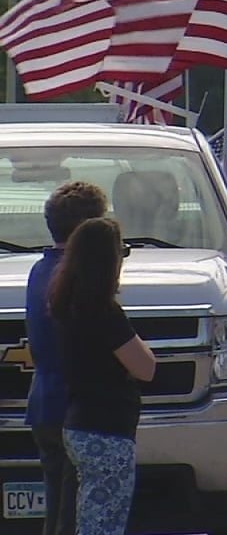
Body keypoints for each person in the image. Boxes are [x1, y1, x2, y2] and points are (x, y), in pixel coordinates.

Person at [47, 217, 156, 535]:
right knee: (104, 522)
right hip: (107, 433)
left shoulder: (65, 306)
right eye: (121, 251)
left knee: (88, 516)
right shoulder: (105, 314)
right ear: (108, 261)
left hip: (79, 424)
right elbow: (145, 368)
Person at [26, 182, 109, 535]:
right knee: (75, 514)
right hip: (75, 406)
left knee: (57, 508)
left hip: (44, 401)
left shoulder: (39, 270)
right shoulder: (77, 277)